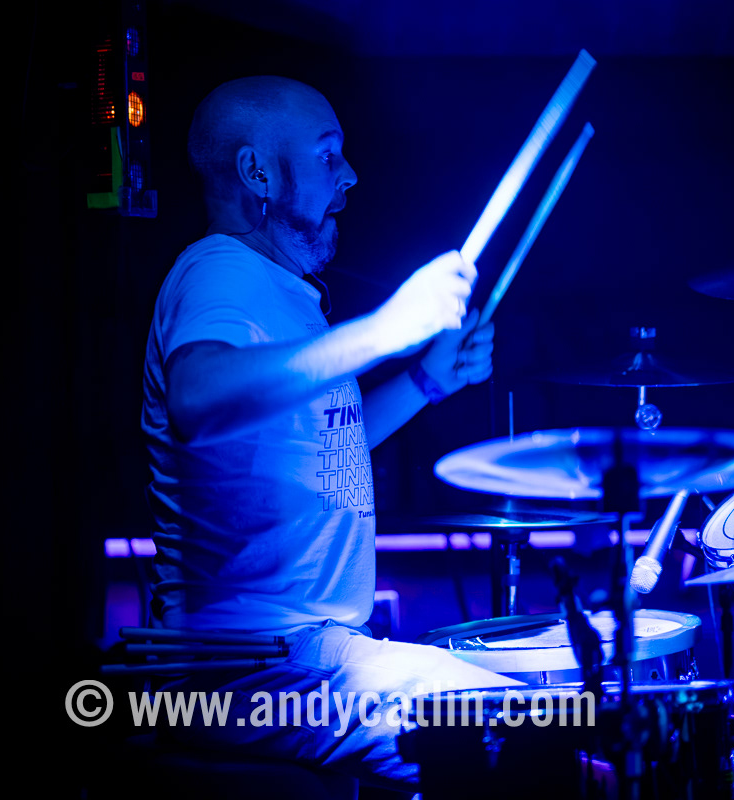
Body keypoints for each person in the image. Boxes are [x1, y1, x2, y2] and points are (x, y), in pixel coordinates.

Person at [141, 75, 522, 791]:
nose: (348, 176)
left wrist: (425, 380)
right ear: (258, 173)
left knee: (536, 714)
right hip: (246, 669)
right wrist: (384, 330)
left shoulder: (281, 291)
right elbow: (196, 397)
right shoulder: (219, 272)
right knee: (523, 731)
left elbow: (322, 444)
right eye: (326, 155)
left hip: (303, 656)